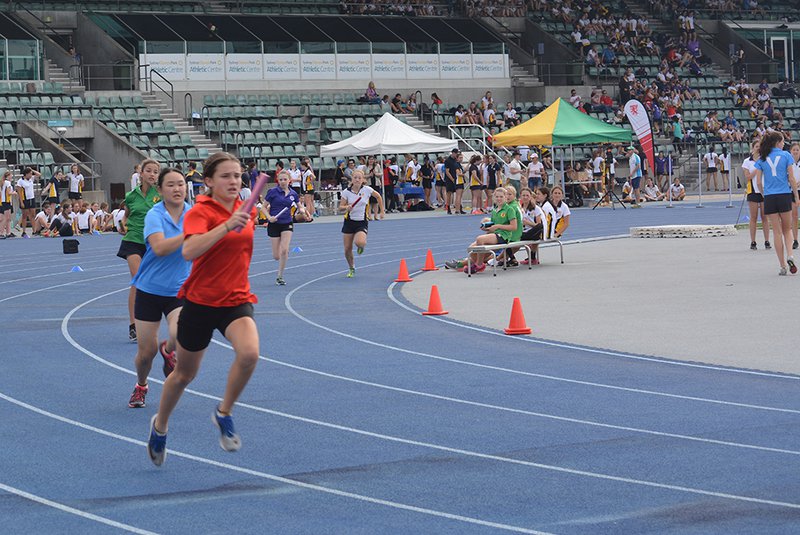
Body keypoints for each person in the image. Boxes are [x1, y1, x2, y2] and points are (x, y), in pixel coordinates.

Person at [147, 152, 262, 466]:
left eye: (237, 176)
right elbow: (188, 250)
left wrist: (237, 221)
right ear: (208, 182)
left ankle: (223, 413)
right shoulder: (201, 211)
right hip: (200, 302)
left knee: (250, 354)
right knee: (184, 374)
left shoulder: (245, 210)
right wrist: (226, 227)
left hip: (236, 299)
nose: (234, 181)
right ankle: (160, 425)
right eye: (226, 176)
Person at [127, 168, 190, 409]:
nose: (177, 189)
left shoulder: (194, 214)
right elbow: (160, 247)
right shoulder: (154, 215)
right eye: (171, 185)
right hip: (150, 290)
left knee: (179, 334)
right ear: (161, 190)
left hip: (179, 291)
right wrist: (190, 234)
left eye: (181, 184)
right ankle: (141, 385)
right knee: (146, 354)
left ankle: (169, 349)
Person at [118, 159, 161, 342]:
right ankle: (133, 326)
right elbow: (126, 215)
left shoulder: (160, 195)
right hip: (133, 241)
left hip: (153, 242)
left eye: (156, 172)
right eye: (149, 171)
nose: (152, 174)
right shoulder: (131, 196)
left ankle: (149, 322)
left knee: (150, 283)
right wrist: (123, 225)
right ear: (140, 174)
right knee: (137, 280)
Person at [754, 131, 798, 275]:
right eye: (783, 141)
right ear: (778, 141)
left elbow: (759, 182)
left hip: (770, 197)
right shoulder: (786, 155)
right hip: (784, 194)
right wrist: (796, 195)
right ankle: (790, 255)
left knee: (777, 232)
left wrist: (763, 194)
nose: (784, 143)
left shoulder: (763, 158)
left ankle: (782, 266)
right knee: (787, 229)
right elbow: (791, 178)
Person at [263, 170, 306, 286]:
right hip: (274, 224)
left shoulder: (293, 194)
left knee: (284, 250)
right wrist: (269, 217)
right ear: (278, 180)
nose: (282, 182)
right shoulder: (272, 192)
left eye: (285, 179)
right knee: (276, 256)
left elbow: (299, 205)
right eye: (280, 179)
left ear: (289, 180)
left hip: (287, 223)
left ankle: (280, 276)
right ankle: (281, 257)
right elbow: (263, 207)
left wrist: (302, 210)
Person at [339, 169, 384, 278]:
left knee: (360, 242)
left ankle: (361, 246)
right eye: (355, 177)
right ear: (352, 179)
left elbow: (378, 196)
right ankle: (352, 268)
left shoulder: (367, 190)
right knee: (347, 249)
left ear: (363, 179)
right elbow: (340, 208)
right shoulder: (346, 192)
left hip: (361, 222)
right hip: (349, 222)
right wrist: (346, 207)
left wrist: (382, 211)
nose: (357, 180)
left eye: (360, 178)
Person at [464, 188, 517, 275]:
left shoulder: (509, 209)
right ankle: (474, 262)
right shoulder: (495, 210)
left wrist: (497, 226)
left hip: (504, 235)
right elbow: (493, 224)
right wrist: (487, 228)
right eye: (497, 197)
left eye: (501, 197)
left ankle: (479, 264)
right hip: (495, 234)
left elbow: (514, 227)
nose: (499, 199)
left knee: (480, 239)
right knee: (472, 248)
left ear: (505, 197)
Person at [742, 141, 770, 250]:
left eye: (760, 147)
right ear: (753, 148)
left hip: (764, 190)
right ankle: (753, 241)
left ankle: (767, 240)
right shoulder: (747, 162)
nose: (758, 149)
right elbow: (748, 177)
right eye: (756, 147)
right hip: (753, 191)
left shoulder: (765, 160)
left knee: (765, 217)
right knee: (753, 217)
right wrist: (757, 167)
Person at [16, 167, 40, 238]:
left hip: (31, 198)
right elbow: (19, 192)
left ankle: (34, 231)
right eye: (29, 173)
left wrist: (32, 170)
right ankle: (23, 231)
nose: (31, 175)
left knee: (33, 215)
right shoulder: (20, 181)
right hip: (24, 199)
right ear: (25, 174)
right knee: (24, 216)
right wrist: (21, 202)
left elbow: (39, 174)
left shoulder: (31, 179)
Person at [790, 142, 800, 250]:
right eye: (794, 150)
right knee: (794, 216)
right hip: (792, 191)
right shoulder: (789, 163)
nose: (796, 152)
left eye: (797, 150)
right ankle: (795, 239)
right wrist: (793, 184)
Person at [0, 170, 13, 239]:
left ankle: (8, 232)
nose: (12, 176)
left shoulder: (4, 182)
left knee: (8, 218)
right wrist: (14, 192)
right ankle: (1, 233)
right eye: (10, 175)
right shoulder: (7, 183)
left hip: (5, 201)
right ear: (7, 177)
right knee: (5, 218)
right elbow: (8, 193)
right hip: (6, 201)